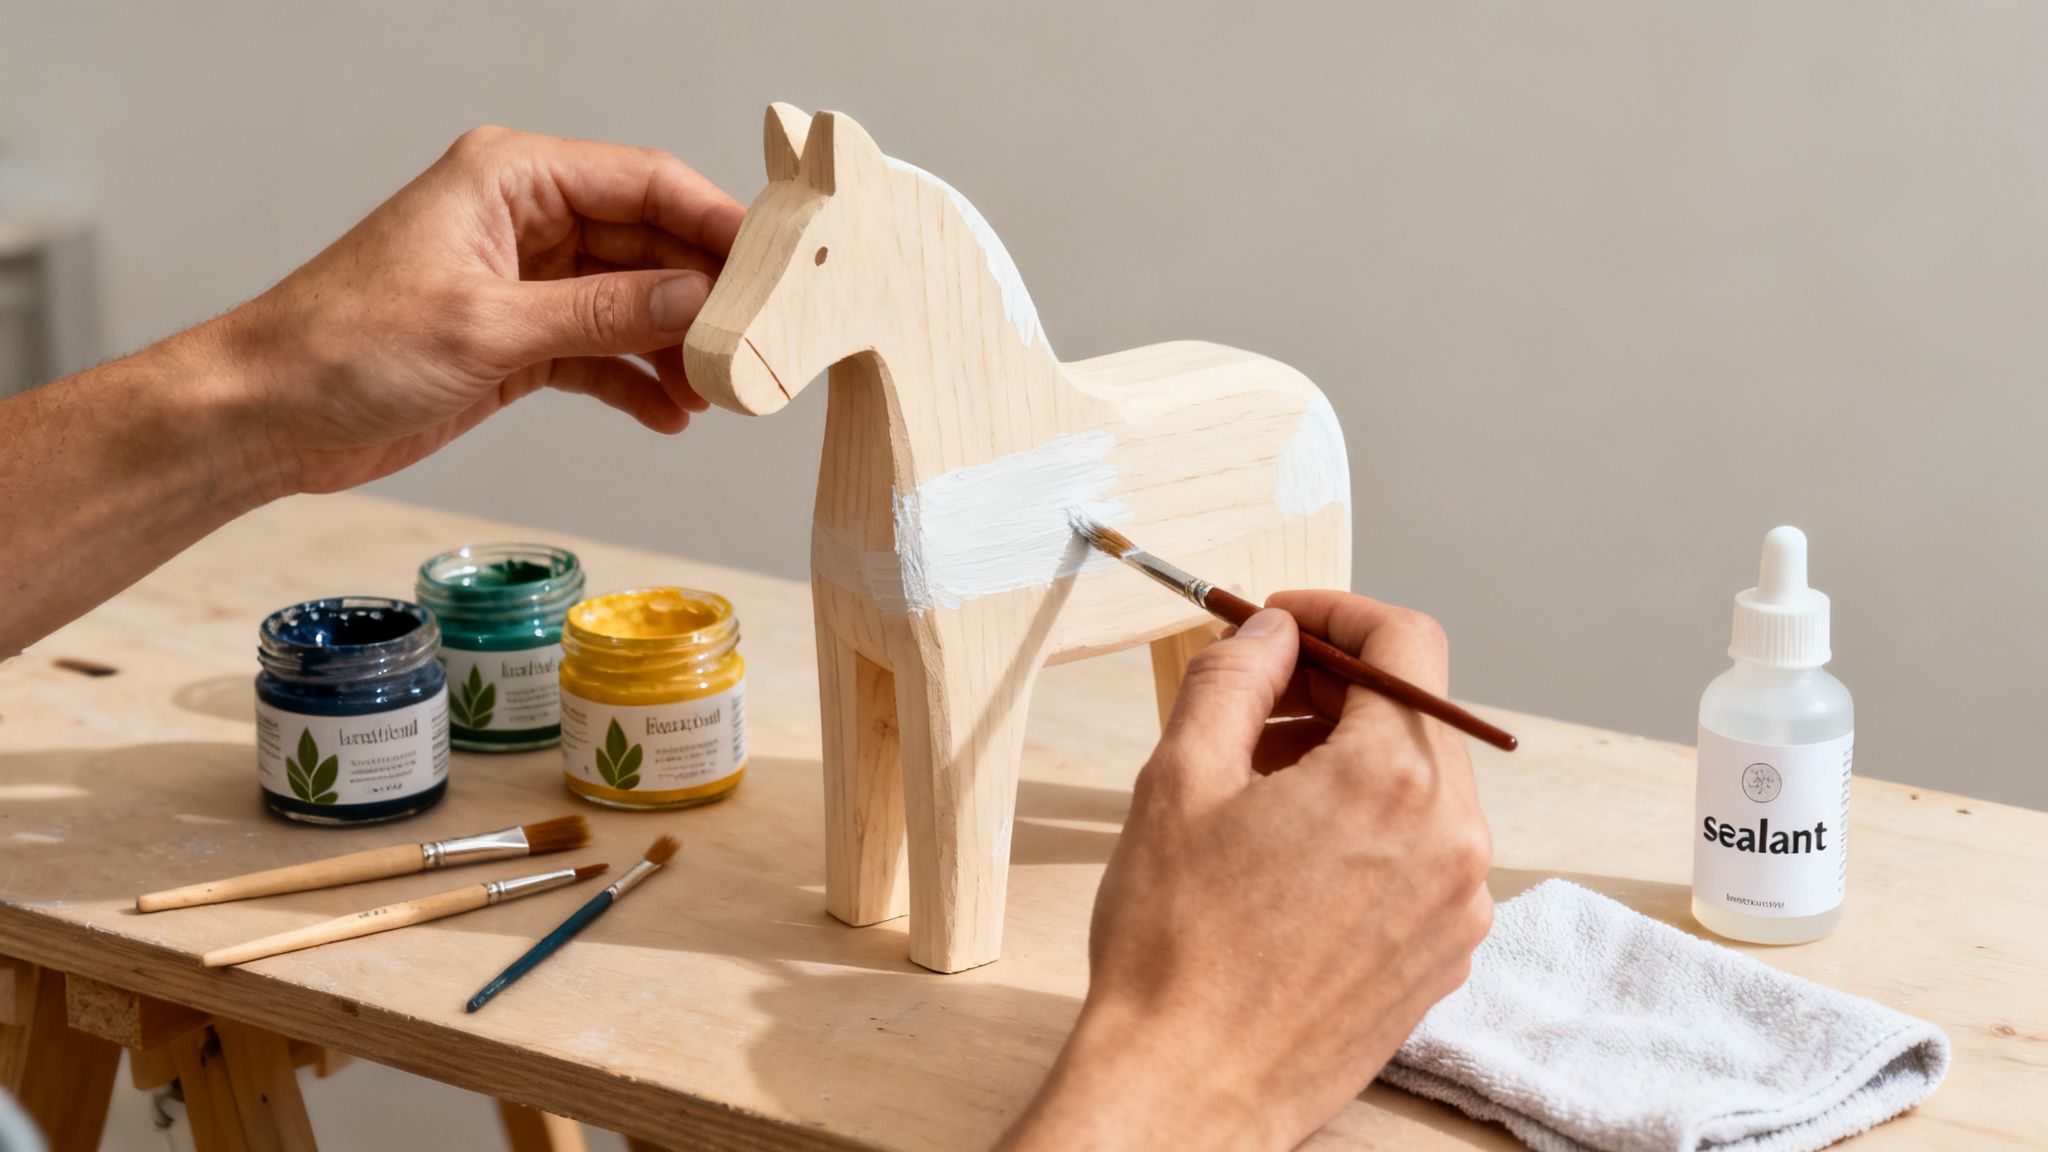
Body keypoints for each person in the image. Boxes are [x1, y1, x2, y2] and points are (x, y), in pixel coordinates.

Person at [0, 128, 1493, 1151]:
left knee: (1182, 720)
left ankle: (963, 914)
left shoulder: (1243, 430)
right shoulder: (869, 486)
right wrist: (1201, 1078)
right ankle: (886, 890)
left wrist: (261, 393)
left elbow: (967, 699)